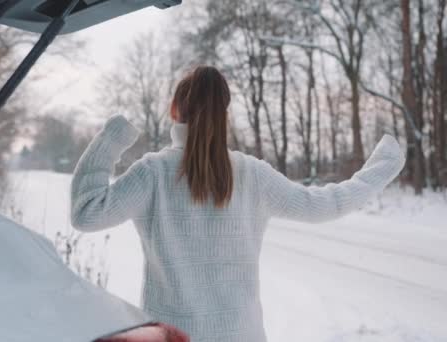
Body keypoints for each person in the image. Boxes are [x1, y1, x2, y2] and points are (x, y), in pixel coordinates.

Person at [70, 65, 406, 342]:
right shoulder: (251, 174)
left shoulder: (152, 173)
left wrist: (113, 137)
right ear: (224, 111)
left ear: (175, 110)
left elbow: (86, 212)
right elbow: (324, 204)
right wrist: (381, 169)